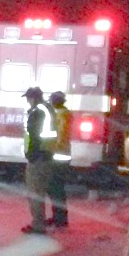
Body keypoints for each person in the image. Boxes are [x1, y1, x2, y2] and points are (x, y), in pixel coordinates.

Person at [21, 86, 57, 234]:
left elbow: (34, 136)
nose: (28, 102)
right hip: (46, 155)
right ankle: (39, 223)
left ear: (34, 98)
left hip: (38, 157)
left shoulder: (38, 112)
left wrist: (31, 155)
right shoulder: (48, 109)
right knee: (40, 191)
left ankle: (38, 225)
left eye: (29, 98)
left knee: (35, 192)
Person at [47, 91, 71, 228]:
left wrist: (50, 149)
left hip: (57, 157)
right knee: (56, 189)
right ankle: (58, 217)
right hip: (60, 156)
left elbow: (60, 136)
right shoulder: (63, 113)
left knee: (55, 189)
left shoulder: (61, 114)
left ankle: (60, 219)